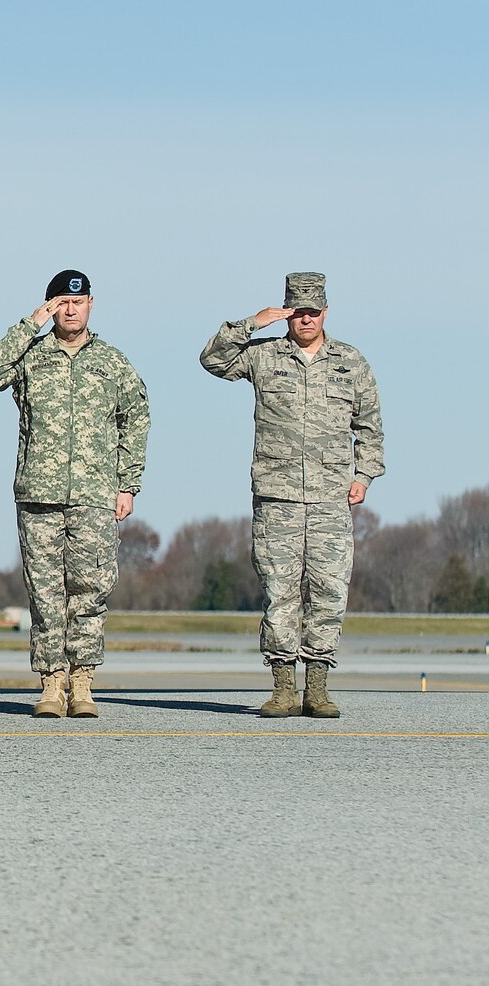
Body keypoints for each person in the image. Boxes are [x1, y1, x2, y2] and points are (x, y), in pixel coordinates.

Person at [200, 272, 383, 719]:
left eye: (314, 311)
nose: (306, 319)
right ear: (286, 312)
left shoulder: (350, 362)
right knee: (279, 591)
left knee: (328, 591)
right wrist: (252, 323)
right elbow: (211, 360)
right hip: (277, 496)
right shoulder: (263, 357)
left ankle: (317, 688)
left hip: (329, 498)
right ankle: (283, 687)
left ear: (326, 311)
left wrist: (365, 475)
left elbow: (370, 426)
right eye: (298, 311)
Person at [0, 270, 150, 719]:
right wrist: (29, 325)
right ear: (50, 305)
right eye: (60, 303)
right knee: (45, 593)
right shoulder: (31, 357)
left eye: (78, 302)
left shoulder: (112, 363)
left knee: (90, 590)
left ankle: (83, 681)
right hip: (39, 493)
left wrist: (127, 483)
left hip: (94, 494)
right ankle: (52, 682)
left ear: (92, 304)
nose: (70, 310)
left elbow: (136, 420)